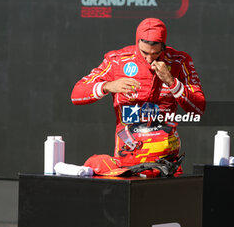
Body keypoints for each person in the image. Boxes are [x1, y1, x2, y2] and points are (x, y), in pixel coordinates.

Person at [71, 18, 205, 171]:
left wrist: (171, 81)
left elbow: (199, 107)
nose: (149, 59)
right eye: (144, 52)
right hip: (127, 163)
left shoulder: (179, 61)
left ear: (164, 46)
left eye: (155, 53)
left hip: (167, 165)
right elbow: (76, 94)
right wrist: (108, 86)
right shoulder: (116, 61)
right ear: (137, 43)